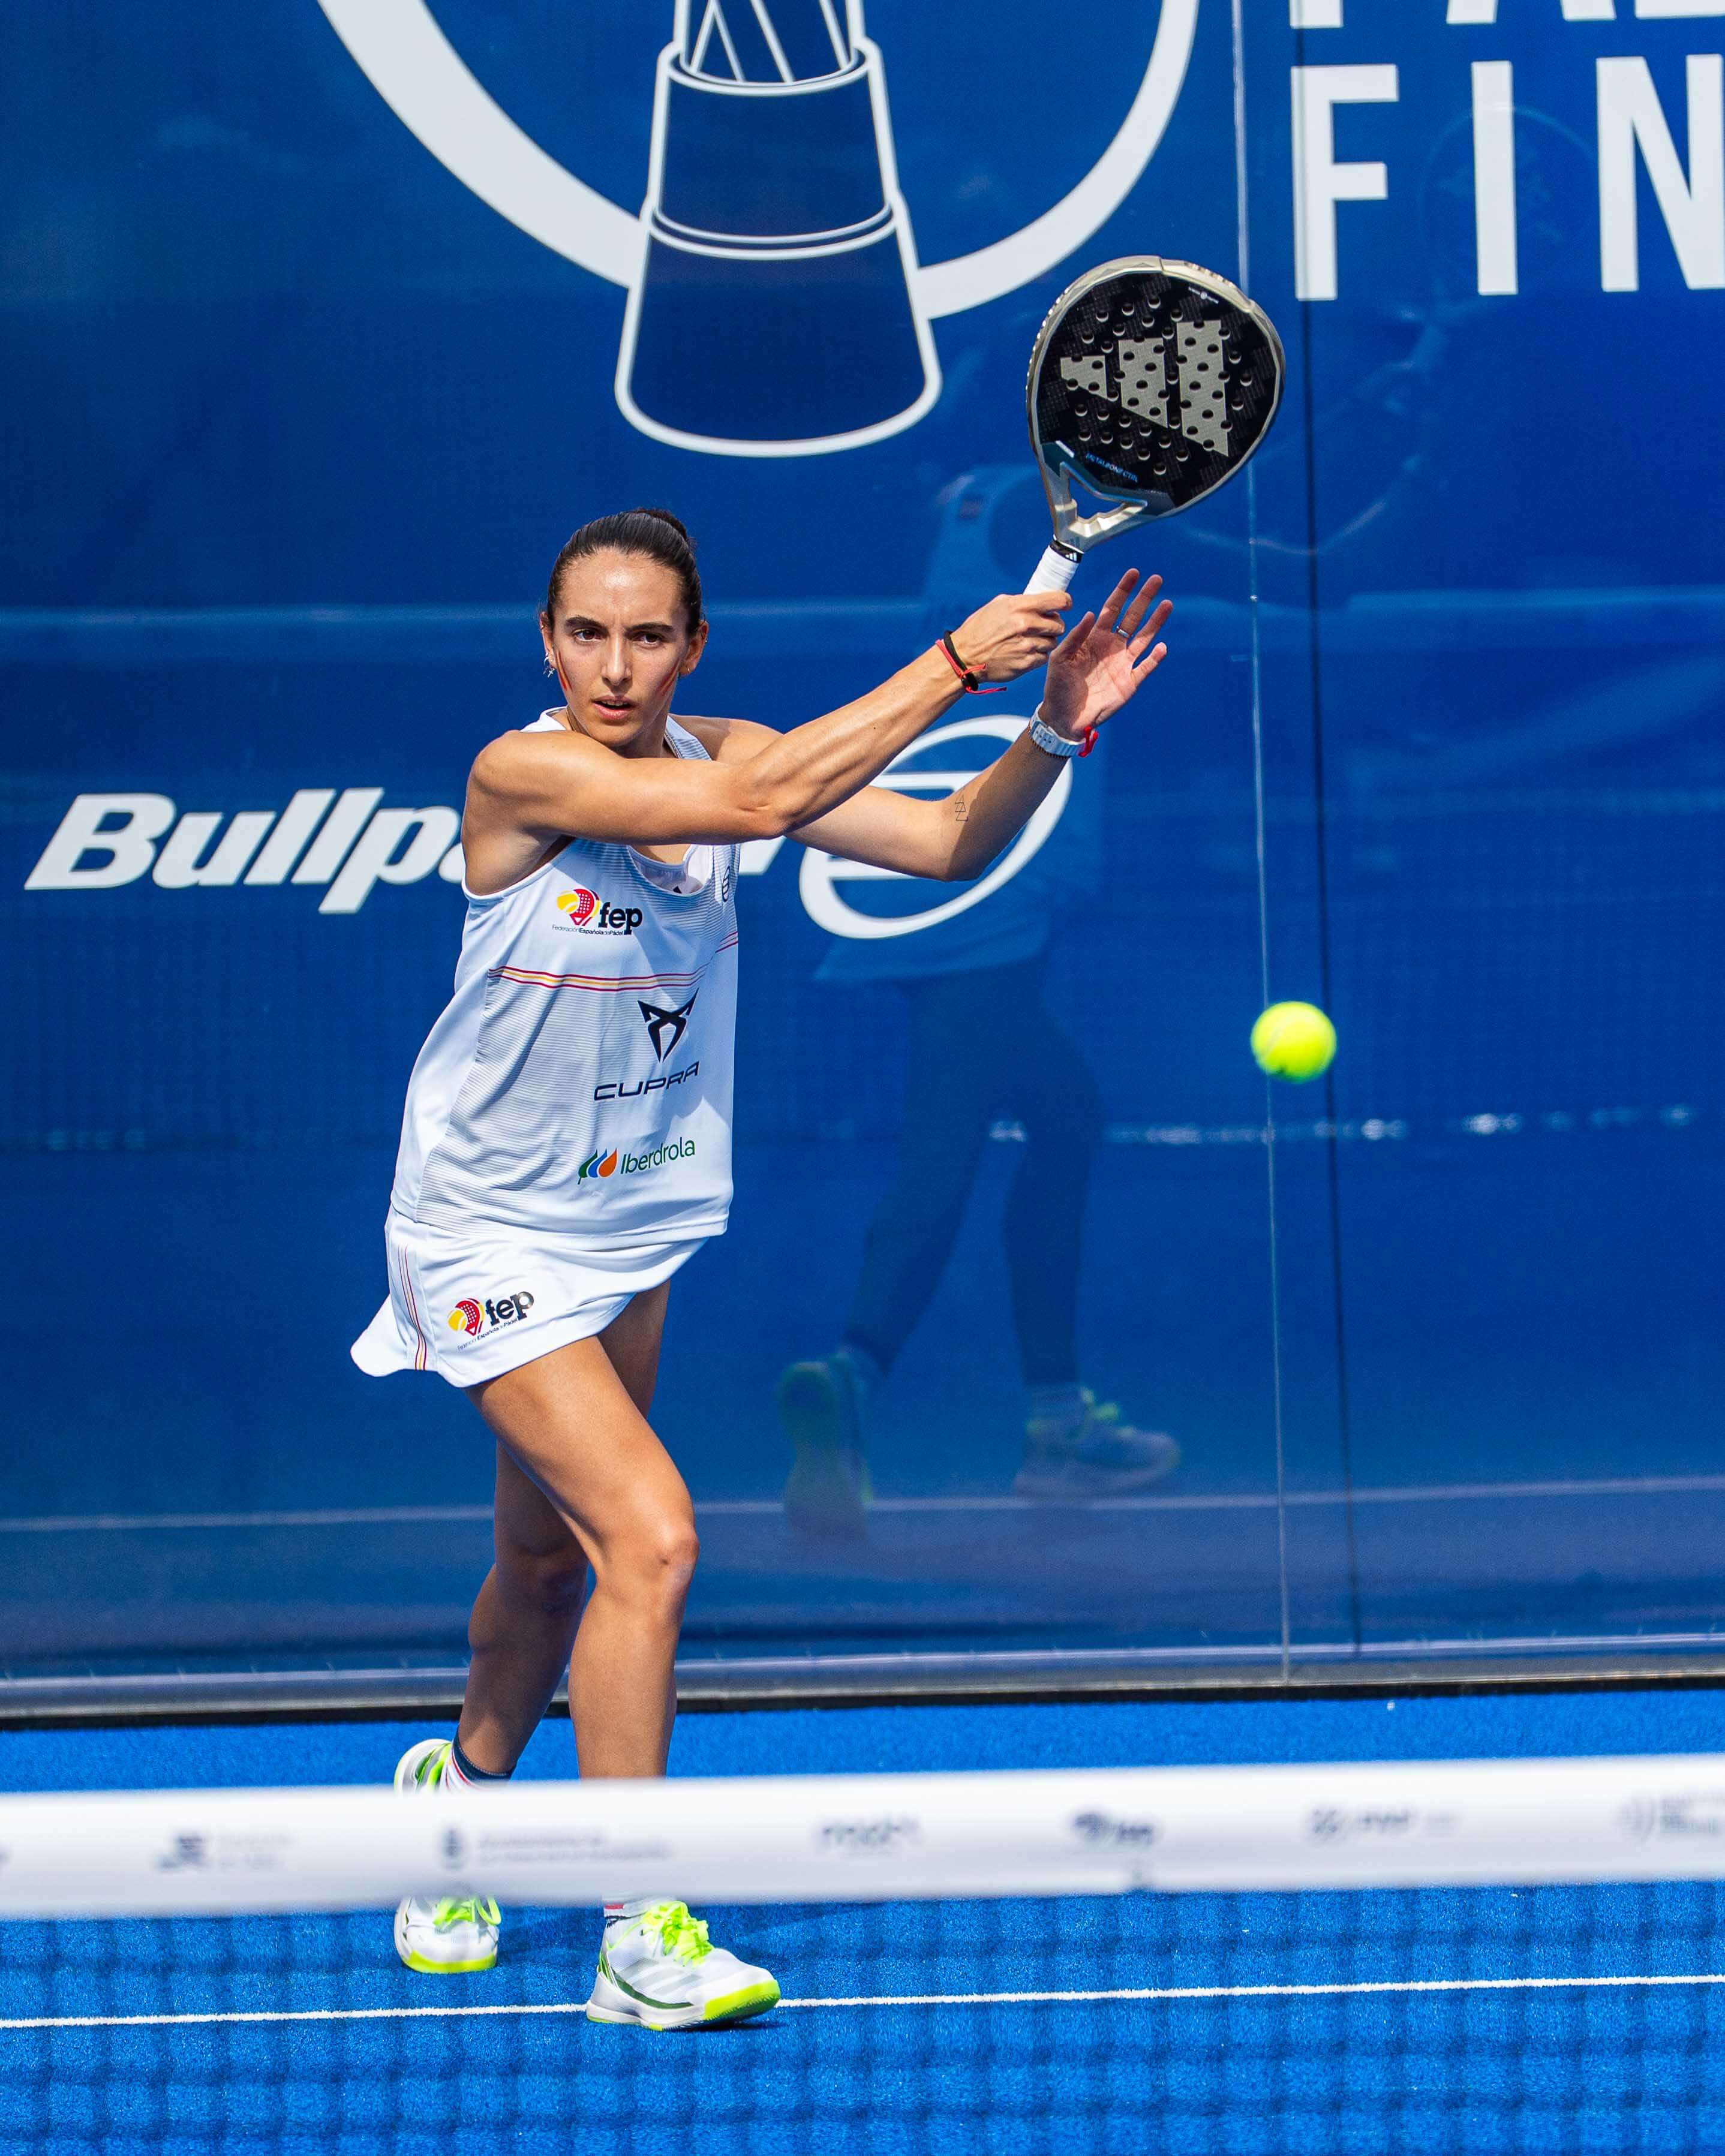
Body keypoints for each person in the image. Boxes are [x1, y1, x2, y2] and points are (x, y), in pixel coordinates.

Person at [350, 506, 1172, 2025]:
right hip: (480, 1228)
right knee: (652, 1540)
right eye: (586, 634)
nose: (614, 665)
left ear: (693, 645)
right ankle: (638, 1927)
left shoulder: (726, 744)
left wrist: (1050, 731)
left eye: (646, 635)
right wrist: (952, 661)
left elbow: (942, 841)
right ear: (547, 645)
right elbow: (755, 804)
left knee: (546, 1561)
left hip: (628, 1228)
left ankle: (451, 1806)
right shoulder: (522, 774)